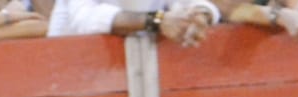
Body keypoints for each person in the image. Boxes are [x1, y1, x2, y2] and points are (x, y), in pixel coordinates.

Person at [47, 0, 219, 44]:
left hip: (143, 71)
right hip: (76, 72)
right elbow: (85, 19)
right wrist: (157, 21)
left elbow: (197, 4)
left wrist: (199, 16)